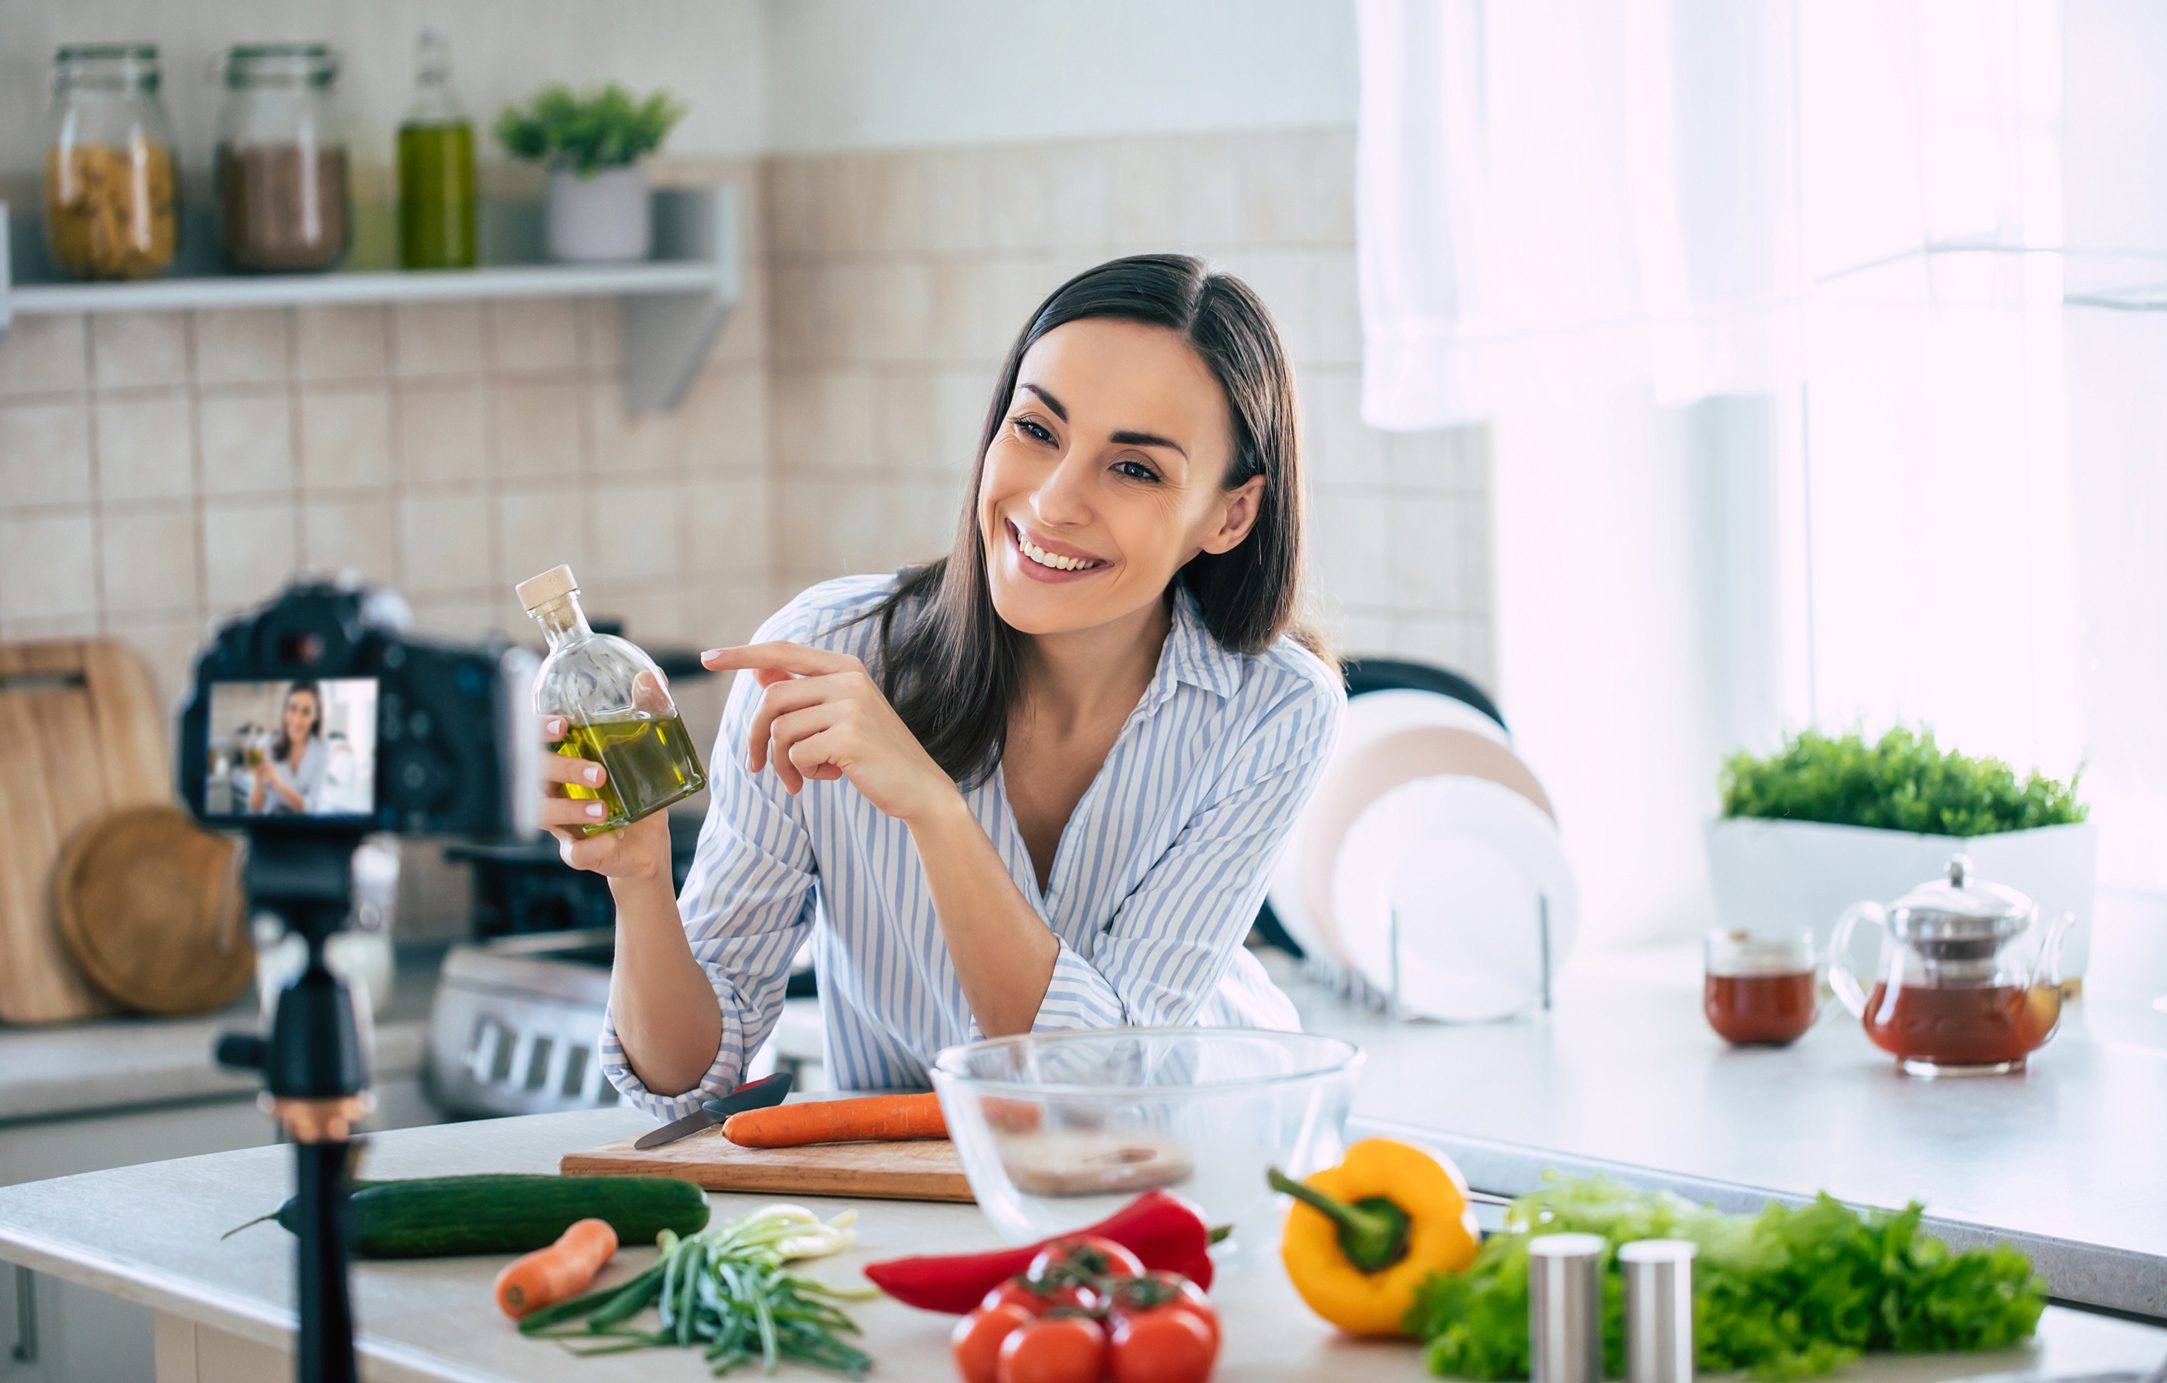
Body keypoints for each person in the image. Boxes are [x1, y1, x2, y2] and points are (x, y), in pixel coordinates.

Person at [541, 254, 1344, 1114]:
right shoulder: (820, 652)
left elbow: (1097, 1084)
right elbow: (686, 1084)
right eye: (1036, 430)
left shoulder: (1274, 709)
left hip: (1198, 1170)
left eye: (1134, 468)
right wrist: (640, 880)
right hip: (904, 1203)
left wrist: (934, 808)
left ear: (1230, 513)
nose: (1051, 502)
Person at [250, 681, 328, 815]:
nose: (297, 720)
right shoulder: (265, 742)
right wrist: (256, 777)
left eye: (306, 712)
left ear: (316, 715)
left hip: (304, 831)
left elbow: (312, 806)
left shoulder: (323, 749)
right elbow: (254, 808)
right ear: (285, 710)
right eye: (293, 708)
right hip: (271, 827)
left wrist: (278, 783)